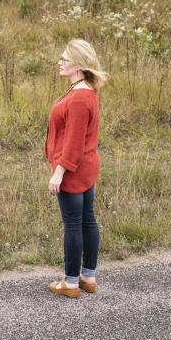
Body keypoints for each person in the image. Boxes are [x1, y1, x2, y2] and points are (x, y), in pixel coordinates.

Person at [45, 38, 107, 298]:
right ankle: (87, 277)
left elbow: (73, 142)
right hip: (85, 167)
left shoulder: (80, 97)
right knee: (86, 219)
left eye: (65, 59)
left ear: (78, 64)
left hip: (74, 170)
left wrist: (58, 173)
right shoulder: (84, 90)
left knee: (74, 223)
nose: (60, 62)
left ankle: (71, 283)